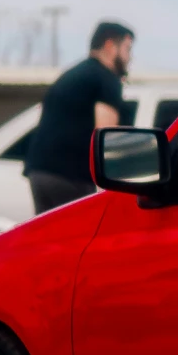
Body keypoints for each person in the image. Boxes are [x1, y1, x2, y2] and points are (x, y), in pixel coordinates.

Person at [25, 21, 134, 213]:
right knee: (80, 239)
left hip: (40, 172)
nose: (129, 57)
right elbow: (106, 137)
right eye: (127, 49)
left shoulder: (72, 75)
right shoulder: (106, 78)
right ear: (110, 46)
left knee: (52, 240)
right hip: (70, 176)